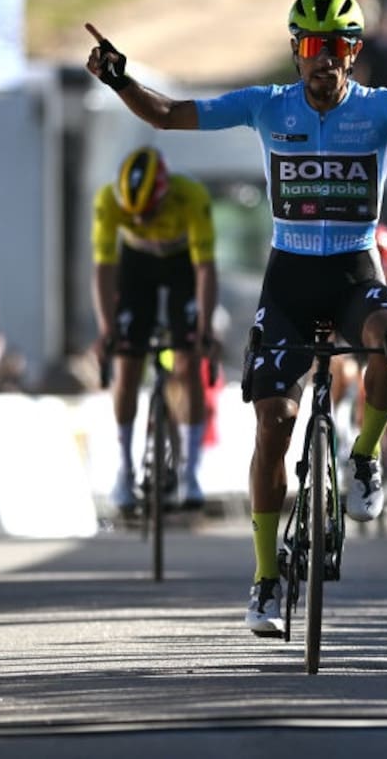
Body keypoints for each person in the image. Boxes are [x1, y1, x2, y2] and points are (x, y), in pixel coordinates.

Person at [84, 0, 387, 636]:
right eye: (310, 47)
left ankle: (362, 456)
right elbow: (167, 116)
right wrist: (120, 78)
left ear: (354, 54)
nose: (322, 60)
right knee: (273, 422)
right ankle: (264, 579)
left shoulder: (382, 109)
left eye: (335, 48)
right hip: (289, 281)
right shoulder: (265, 107)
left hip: (353, 275)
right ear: (295, 52)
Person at [91, 146, 219, 513]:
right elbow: (103, 268)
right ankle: (124, 470)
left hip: (183, 266)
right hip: (137, 269)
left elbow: (205, 269)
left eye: (148, 212)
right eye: (134, 215)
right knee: (127, 365)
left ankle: (190, 473)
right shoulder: (108, 201)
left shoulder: (190, 196)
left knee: (187, 363)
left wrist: (206, 327)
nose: (142, 221)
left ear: (163, 195)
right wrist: (106, 328)